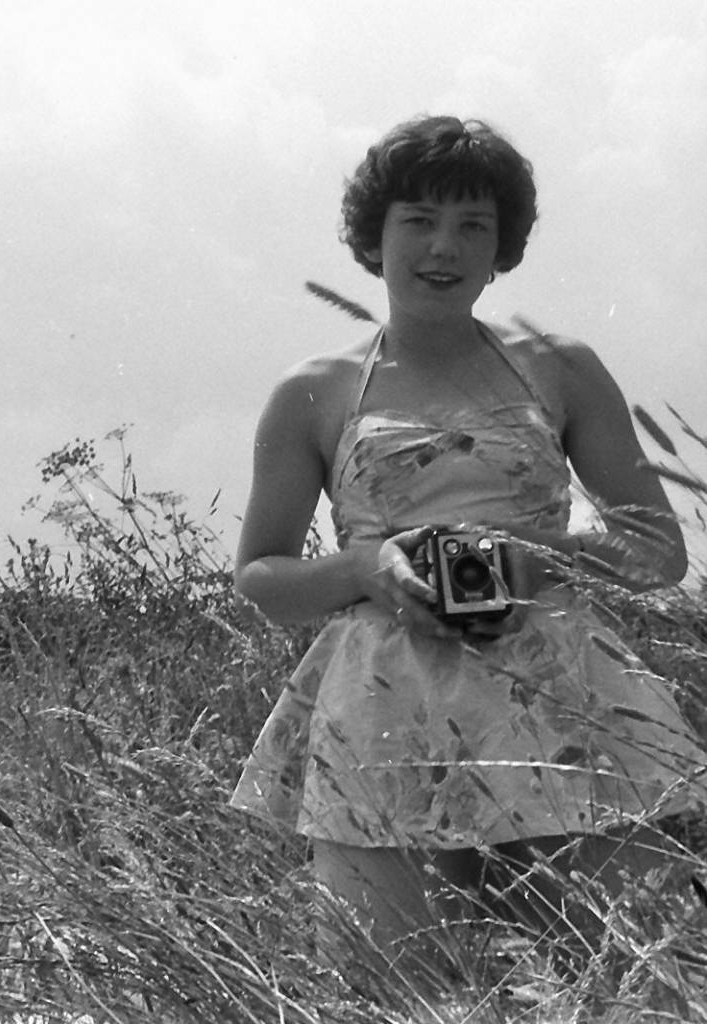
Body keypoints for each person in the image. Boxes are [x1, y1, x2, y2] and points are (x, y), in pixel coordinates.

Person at [229, 115, 706, 986]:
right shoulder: (312, 391)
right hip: (381, 712)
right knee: (392, 989)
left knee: (625, 979)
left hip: (563, 703)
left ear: (502, 248)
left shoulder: (560, 367)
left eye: (472, 225)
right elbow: (261, 576)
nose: (442, 247)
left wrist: (532, 560)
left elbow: (656, 549)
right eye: (417, 219)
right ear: (374, 237)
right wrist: (366, 569)